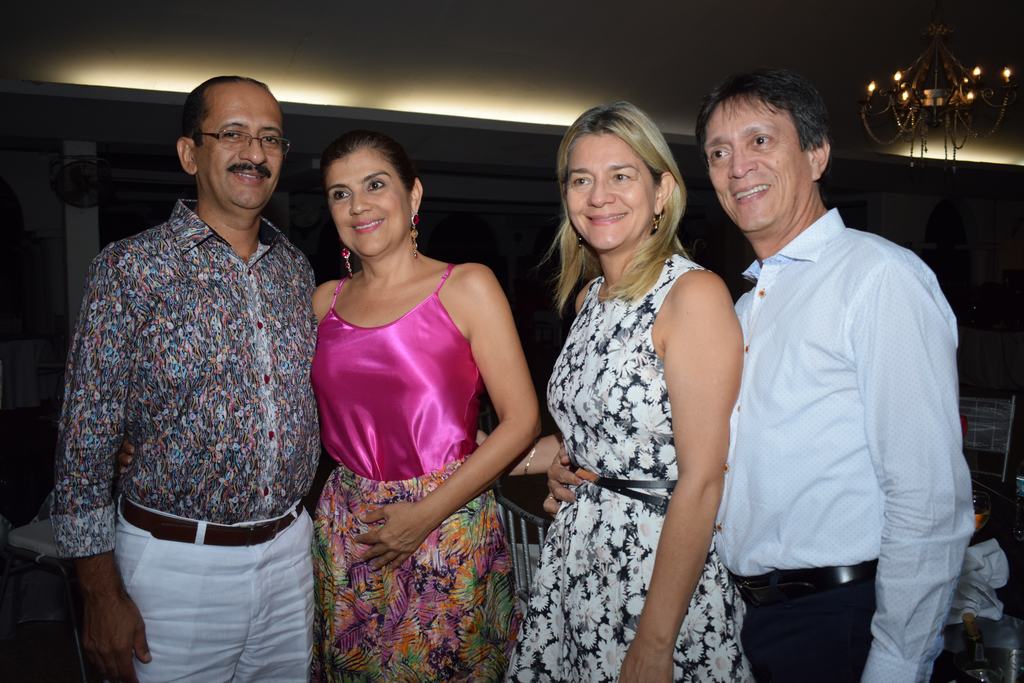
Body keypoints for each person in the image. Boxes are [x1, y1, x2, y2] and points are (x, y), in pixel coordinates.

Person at [549, 70, 973, 682]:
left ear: (817, 153)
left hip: (841, 616)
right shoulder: (746, 305)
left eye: (760, 141)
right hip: (745, 613)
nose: (737, 166)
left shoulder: (878, 279)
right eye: (719, 152)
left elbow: (929, 498)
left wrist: (898, 663)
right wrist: (578, 464)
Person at [52, 76, 320, 683]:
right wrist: (99, 593)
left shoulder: (296, 271)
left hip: (288, 555)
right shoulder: (129, 270)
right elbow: (83, 445)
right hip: (175, 567)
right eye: (232, 133)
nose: (254, 152)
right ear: (189, 153)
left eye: (271, 139)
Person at [507, 102, 750, 683]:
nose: (598, 196)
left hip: (656, 573)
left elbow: (703, 477)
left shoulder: (692, 295)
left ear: (662, 191)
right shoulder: (592, 298)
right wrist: (481, 456)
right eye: (581, 179)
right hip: (579, 563)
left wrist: (655, 642)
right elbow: (590, 438)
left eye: (621, 176)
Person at [309, 129, 540, 681]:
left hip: (448, 523)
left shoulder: (466, 286)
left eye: (374, 185)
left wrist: (423, 516)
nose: (358, 205)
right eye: (340, 194)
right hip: (349, 528)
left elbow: (522, 421)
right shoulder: (324, 302)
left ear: (413, 196)